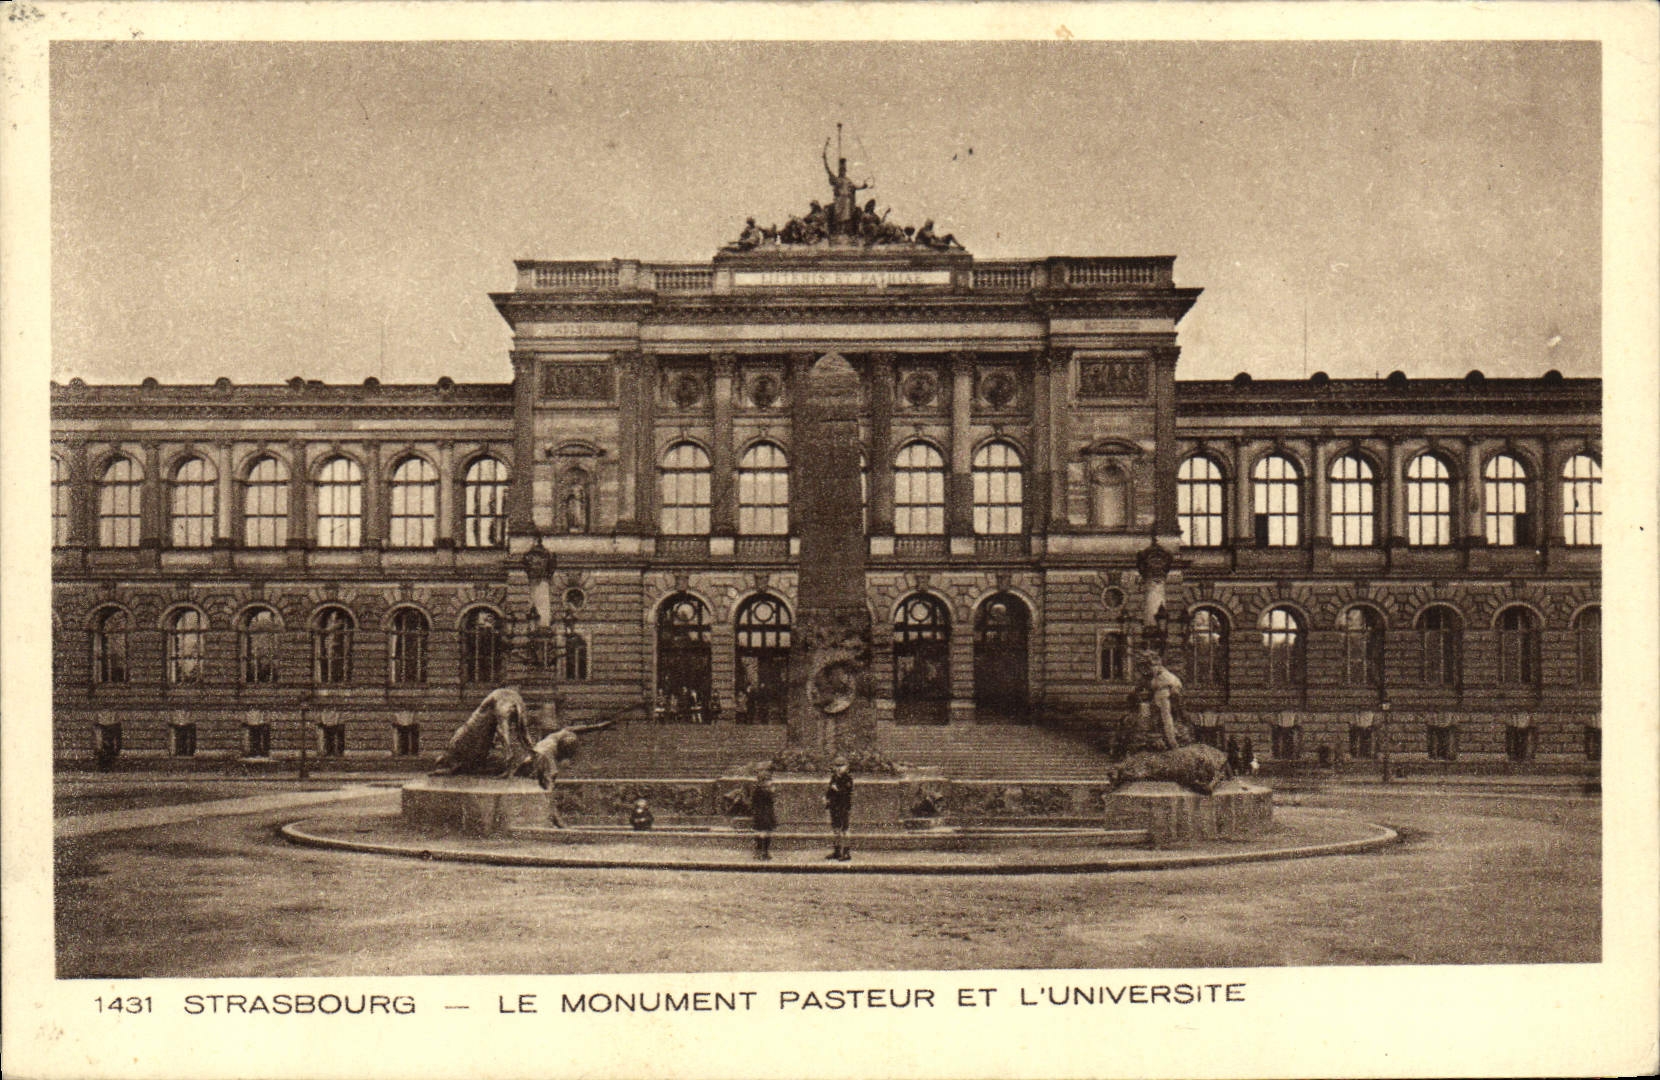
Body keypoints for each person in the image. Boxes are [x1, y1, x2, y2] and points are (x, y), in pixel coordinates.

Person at [824, 756, 854, 862]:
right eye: (837, 766)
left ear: (846, 767)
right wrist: (827, 798)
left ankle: (846, 852)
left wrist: (836, 789)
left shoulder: (847, 778)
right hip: (834, 806)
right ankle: (837, 851)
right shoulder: (834, 777)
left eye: (841, 766)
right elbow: (829, 789)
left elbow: (846, 792)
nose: (839, 768)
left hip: (843, 806)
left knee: (844, 829)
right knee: (836, 829)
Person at [751, 769, 777, 860]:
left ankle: (761, 852)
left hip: (762, 814)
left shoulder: (757, 790)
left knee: (763, 833)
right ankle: (762, 852)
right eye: (768, 780)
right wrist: (771, 792)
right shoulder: (762, 790)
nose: (770, 782)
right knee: (764, 833)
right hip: (764, 815)